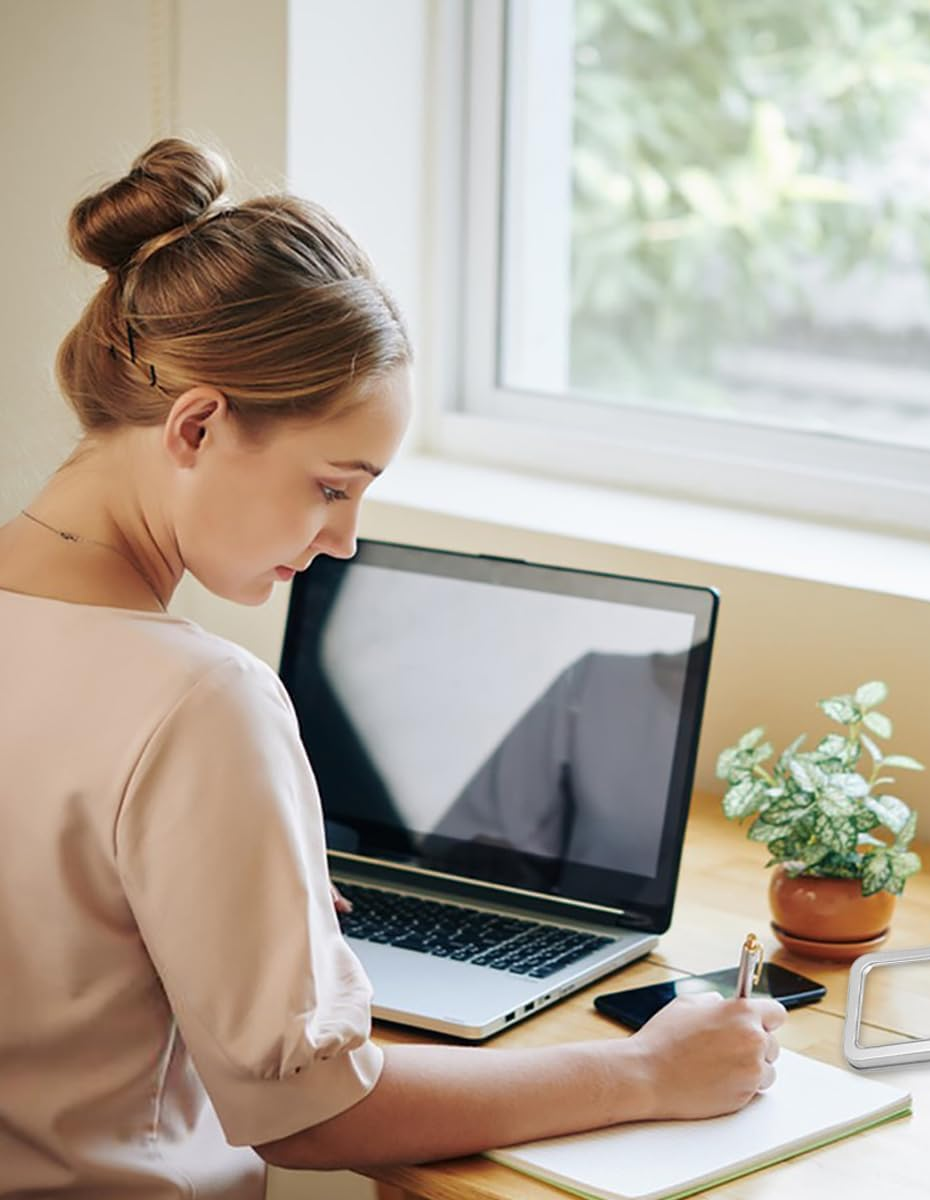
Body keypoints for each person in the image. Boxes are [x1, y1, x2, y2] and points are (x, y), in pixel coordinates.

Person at [0, 138, 785, 1198]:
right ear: (198, 426)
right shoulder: (196, 700)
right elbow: (314, 1116)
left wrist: (238, 894)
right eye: (333, 486)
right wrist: (646, 1070)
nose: (344, 539)